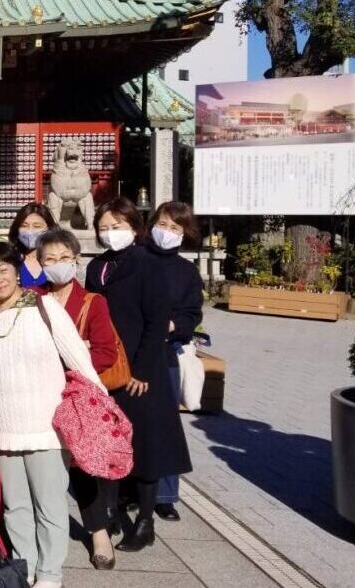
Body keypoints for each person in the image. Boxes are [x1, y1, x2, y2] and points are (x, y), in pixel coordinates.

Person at [0, 240, 102, 588]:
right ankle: (23, 565)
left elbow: (79, 359)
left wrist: (101, 409)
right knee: (14, 507)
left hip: (47, 426)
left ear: (18, 270)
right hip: (2, 429)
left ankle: (49, 573)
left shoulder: (45, 308)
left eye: (3, 269)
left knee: (50, 506)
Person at [85, 197, 191, 553]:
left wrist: (142, 369)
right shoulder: (97, 266)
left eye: (118, 225)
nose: (111, 232)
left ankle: (145, 521)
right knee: (111, 444)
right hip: (107, 369)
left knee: (145, 447)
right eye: (104, 227)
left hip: (142, 371)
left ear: (133, 227)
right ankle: (111, 511)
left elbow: (157, 319)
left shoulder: (147, 263)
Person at [36, 227, 122, 569]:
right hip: (39, 393)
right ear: (40, 264)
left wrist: (71, 362)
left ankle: (98, 533)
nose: (57, 265)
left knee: (81, 467)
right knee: (41, 464)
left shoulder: (92, 302)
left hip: (74, 395)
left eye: (64, 258)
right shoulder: (31, 297)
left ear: (76, 260)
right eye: (50, 259)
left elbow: (104, 352)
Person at [146, 201, 204, 523]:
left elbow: (192, 314)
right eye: (163, 224)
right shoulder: (136, 260)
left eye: (175, 228)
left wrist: (173, 326)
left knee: (167, 423)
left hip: (166, 352)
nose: (166, 232)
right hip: (133, 353)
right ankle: (133, 488)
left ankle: (165, 495)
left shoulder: (186, 272)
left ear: (184, 234)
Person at [9, 202, 57, 288]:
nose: (30, 231)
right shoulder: (10, 259)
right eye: (24, 225)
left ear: (49, 229)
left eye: (37, 226)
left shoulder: (57, 261)